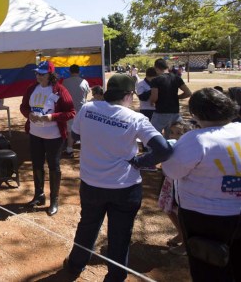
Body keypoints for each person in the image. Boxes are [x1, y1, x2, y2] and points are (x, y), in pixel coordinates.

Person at [63, 74, 173, 281]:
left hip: (92, 184)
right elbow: (164, 149)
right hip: (125, 187)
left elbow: (75, 135)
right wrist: (141, 162)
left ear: (107, 92)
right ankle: (115, 275)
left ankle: (76, 264)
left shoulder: (88, 108)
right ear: (129, 95)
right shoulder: (135, 118)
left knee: (87, 225)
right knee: (120, 235)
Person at [162, 88, 241, 281]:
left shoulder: (195, 139)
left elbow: (172, 171)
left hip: (206, 219)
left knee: (207, 273)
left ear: (195, 113)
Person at [19, 60, 75, 216]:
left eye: (42, 74)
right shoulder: (32, 88)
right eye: (37, 73)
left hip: (54, 137)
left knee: (53, 167)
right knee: (37, 164)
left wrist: (51, 117)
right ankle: (39, 195)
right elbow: (24, 107)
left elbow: (71, 112)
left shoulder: (60, 90)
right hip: (35, 134)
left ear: (51, 75)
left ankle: (54, 200)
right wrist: (28, 114)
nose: (38, 76)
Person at [157, 120, 194, 256]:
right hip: (169, 182)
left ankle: (185, 244)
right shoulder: (171, 146)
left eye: (179, 133)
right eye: (172, 132)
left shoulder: (191, 149)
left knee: (180, 212)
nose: (174, 136)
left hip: (181, 186)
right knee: (168, 208)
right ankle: (181, 233)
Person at [149, 58, 192, 137]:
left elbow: (154, 97)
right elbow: (188, 93)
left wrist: (151, 102)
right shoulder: (177, 78)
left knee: (153, 135)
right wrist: (176, 97)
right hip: (174, 112)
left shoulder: (155, 80)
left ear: (156, 68)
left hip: (160, 112)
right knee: (172, 136)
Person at [60, 64, 90, 158]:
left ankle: (69, 150)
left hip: (70, 109)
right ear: (79, 71)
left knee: (70, 130)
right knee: (83, 129)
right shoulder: (84, 82)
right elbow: (86, 95)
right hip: (82, 109)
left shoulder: (65, 82)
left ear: (70, 71)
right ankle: (86, 150)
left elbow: (62, 95)